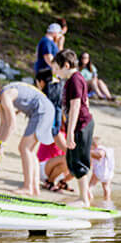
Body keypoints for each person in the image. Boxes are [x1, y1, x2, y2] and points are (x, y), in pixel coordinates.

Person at [0, 76, 55, 197]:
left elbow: (12, 124)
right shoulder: (0, 99)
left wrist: (2, 144)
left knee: (24, 148)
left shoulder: (5, 96)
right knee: (29, 150)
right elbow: (3, 123)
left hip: (42, 111)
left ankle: (27, 187)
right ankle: (34, 188)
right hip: (43, 110)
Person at [53, 49, 94, 207]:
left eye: (57, 67)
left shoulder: (75, 79)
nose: (55, 71)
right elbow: (85, 101)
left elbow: (76, 105)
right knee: (72, 160)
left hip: (81, 125)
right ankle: (86, 195)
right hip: (80, 124)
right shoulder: (73, 79)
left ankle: (84, 199)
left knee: (78, 161)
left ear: (66, 65)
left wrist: (70, 133)